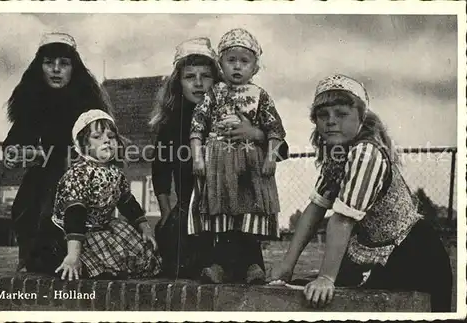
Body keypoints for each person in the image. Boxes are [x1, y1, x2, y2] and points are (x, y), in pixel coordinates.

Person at [270, 74, 453, 312]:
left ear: (361, 117)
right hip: (367, 251)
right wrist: (287, 264)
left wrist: (326, 277)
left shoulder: (367, 153)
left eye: (341, 114)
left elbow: (343, 218)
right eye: (323, 115)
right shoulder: (336, 154)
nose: (330, 121)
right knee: (307, 294)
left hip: (411, 253)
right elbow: (315, 209)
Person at [150, 37, 270, 280]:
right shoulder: (172, 123)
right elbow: (160, 172)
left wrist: (255, 133)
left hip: (232, 206)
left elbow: (283, 148)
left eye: (205, 76)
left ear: (217, 79)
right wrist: (165, 214)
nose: (198, 84)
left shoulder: (237, 110)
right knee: (182, 260)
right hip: (190, 208)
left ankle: (246, 267)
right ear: (178, 83)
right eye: (189, 77)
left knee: (238, 250)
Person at [2, 32, 114, 274]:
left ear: (74, 69)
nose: (55, 69)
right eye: (49, 63)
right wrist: (13, 152)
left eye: (63, 63)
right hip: (42, 175)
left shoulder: (87, 103)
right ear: (38, 67)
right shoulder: (31, 101)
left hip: (79, 176)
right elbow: (15, 141)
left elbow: (103, 146)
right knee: (23, 208)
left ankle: (64, 258)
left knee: (54, 210)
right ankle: (34, 259)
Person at [189, 28, 287, 284]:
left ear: (255, 67)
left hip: (250, 165)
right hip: (219, 164)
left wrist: (271, 158)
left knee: (248, 216)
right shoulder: (214, 94)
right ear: (221, 64)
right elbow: (197, 126)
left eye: (244, 61)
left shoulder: (260, 96)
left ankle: (254, 265)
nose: (237, 67)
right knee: (223, 217)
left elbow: (274, 129)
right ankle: (220, 265)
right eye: (231, 60)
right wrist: (198, 158)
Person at [52, 109, 161, 280]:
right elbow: (75, 215)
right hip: (75, 234)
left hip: (103, 226)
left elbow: (128, 204)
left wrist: (145, 229)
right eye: (97, 137)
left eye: (111, 136)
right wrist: (73, 255)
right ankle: (83, 263)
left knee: (138, 254)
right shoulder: (79, 174)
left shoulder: (115, 173)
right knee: (99, 264)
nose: (106, 141)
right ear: (82, 144)